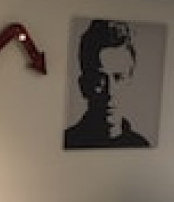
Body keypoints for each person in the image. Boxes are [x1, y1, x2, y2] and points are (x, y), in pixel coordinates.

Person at [64, 19, 150, 148]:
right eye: (100, 80)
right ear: (83, 86)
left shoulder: (142, 146)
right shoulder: (68, 142)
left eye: (119, 77)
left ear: (130, 83)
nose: (110, 92)